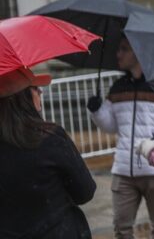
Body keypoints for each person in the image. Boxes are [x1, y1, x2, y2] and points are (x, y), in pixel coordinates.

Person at [87, 37, 154, 239]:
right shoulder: (117, 87)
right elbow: (110, 126)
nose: (119, 54)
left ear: (138, 53)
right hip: (124, 171)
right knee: (122, 230)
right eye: (119, 49)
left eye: (124, 49)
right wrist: (96, 110)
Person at [0, 68, 96, 238]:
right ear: (23, 97)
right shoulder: (50, 138)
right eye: (35, 88)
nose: (41, 92)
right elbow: (85, 192)